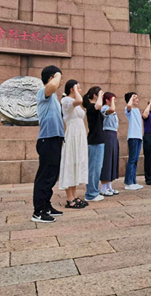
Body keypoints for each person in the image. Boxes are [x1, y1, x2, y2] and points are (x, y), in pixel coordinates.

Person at [32, 65, 65, 223]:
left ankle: (46, 205)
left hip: (55, 139)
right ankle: (38, 211)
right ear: (52, 78)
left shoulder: (53, 98)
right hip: (47, 139)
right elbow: (51, 85)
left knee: (51, 176)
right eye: (59, 77)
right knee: (45, 176)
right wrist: (57, 75)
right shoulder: (43, 92)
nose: (61, 81)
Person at [59, 80, 88, 209]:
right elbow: (79, 101)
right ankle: (69, 198)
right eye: (78, 88)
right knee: (70, 163)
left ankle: (74, 196)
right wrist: (75, 89)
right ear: (72, 88)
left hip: (79, 135)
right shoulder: (66, 101)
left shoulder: (73, 101)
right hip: (72, 135)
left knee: (76, 163)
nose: (80, 90)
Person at [83, 87, 105, 203]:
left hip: (99, 140)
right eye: (100, 94)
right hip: (95, 141)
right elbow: (98, 105)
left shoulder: (95, 107)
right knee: (94, 168)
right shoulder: (91, 107)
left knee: (97, 168)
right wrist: (100, 95)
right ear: (95, 96)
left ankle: (94, 191)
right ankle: (91, 193)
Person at [100, 92, 120, 196]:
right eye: (113, 99)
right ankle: (103, 187)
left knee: (112, 160)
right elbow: (111, 110)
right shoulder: (104, 108)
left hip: (113, 134)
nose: (114, 101)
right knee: (107, 160)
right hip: (107, 134)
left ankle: (109, 186)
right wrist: (111, 100)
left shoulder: (110, 108)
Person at [124, 92, 144, 191]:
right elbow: (128, 105)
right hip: (132, 137)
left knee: (135, 160)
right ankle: (128, 182)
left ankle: (134, 181)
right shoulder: (129, 109)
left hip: (139, 137)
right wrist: (131, 97)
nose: (137, 99)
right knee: (132, 160)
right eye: (135, 97)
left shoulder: (137, 110)